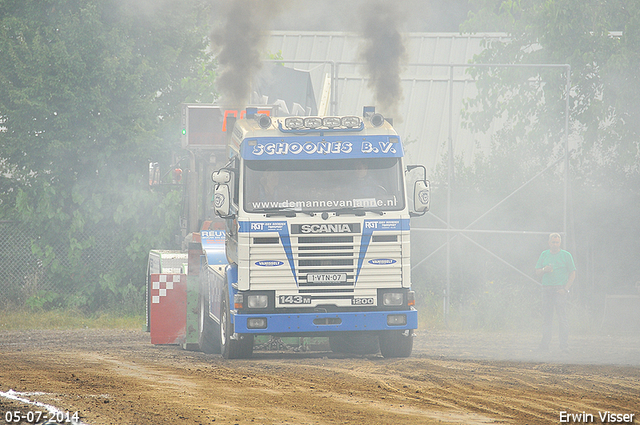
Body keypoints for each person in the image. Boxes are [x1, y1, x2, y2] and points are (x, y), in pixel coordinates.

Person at [535, 233, 576, 352]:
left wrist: (566, 289)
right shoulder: (544, 254)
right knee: (547, 318)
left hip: (560, 290)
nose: (555, 244)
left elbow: (573, 273)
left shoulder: (566, 255)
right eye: (553, 242)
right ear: (549, 243)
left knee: (562, 318)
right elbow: (537, 271)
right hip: (547, 289)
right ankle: (544, 345)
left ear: (560, 243)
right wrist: (544, 270)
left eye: (557, 242)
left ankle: (564, 346)